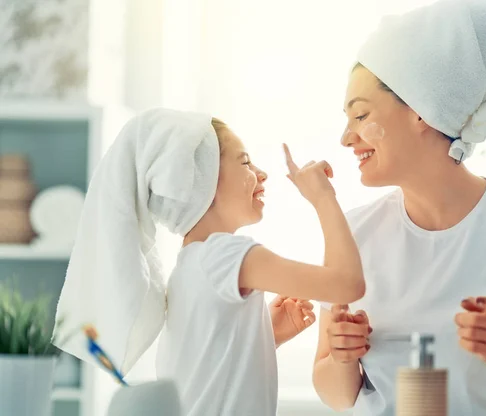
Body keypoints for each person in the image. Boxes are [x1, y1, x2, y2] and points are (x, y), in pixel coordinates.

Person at [312, 1, 486, 415]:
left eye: (360, 115)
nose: (346, 138)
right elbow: (338, 396)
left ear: (421, 110)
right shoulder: (353, 234)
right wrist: (341, 356)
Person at [53, 108, 365, 415]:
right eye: (244, 161)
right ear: (199, 179)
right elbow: (347, 285)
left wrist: (268, 334)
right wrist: (324, 197)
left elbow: (210, 370)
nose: (262, 173)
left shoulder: (191, 267)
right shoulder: (226, 256)